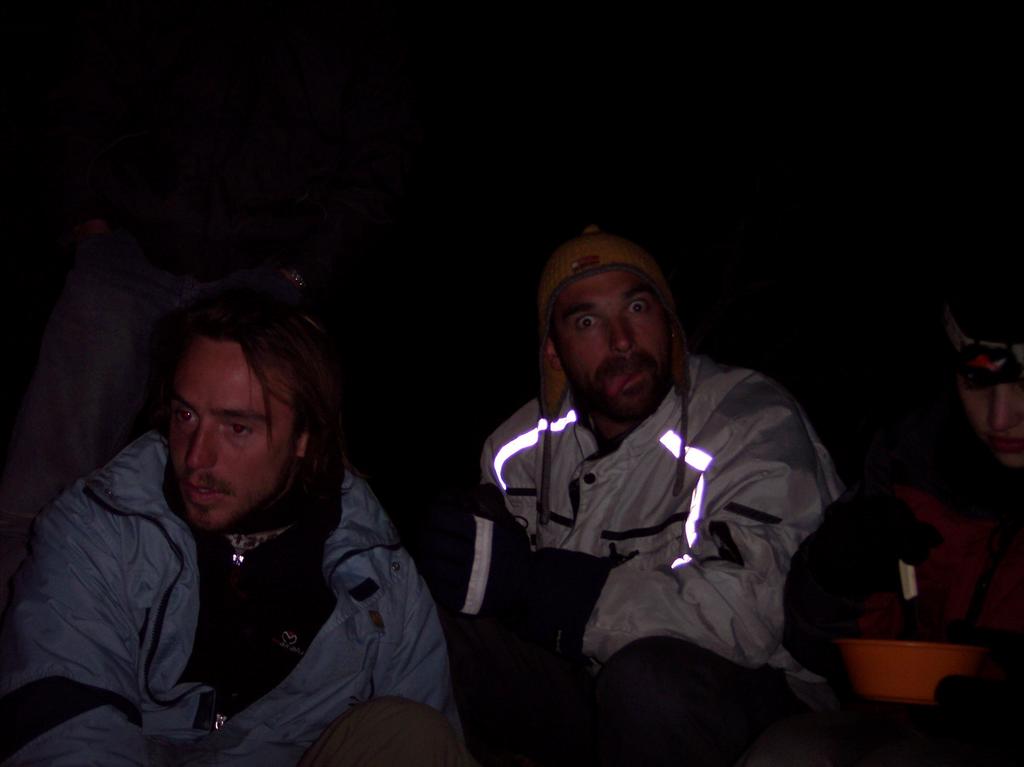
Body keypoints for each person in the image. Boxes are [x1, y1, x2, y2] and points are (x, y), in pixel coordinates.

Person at [0, 0, 417, 612]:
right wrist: (87, 222)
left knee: (249, 495)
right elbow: (82, 89)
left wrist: (303, 272)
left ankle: (234, 648)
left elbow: (384, 155)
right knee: (40, 490)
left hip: (264, 280)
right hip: (126, 258)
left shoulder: (356, 24)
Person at [415, 226, 845, 767]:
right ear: (553, 351)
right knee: (434, 627)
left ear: (669, 323)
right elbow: (502, 591)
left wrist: (556, 593)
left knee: (647, 683)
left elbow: (757, 612)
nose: (621, 340)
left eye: (638, 308)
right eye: (587, 322)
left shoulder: (749, 421)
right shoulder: (515, 450)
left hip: (760, 697)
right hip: (589, 686)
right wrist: (457, 559)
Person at [0, 291, 470, 765]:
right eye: (185, 415)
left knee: (413, 733)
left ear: (305, 437)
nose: (196, 456)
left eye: (237, 427)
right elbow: (62, 727)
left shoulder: (378, 579)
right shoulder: (99, 529)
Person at [739, 288, 1024, 766]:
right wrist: (832, 581)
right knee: (785, 753)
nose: (1000, 415)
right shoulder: (913, 458)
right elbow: (819, 654)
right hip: (904, 724)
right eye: (976, 379)